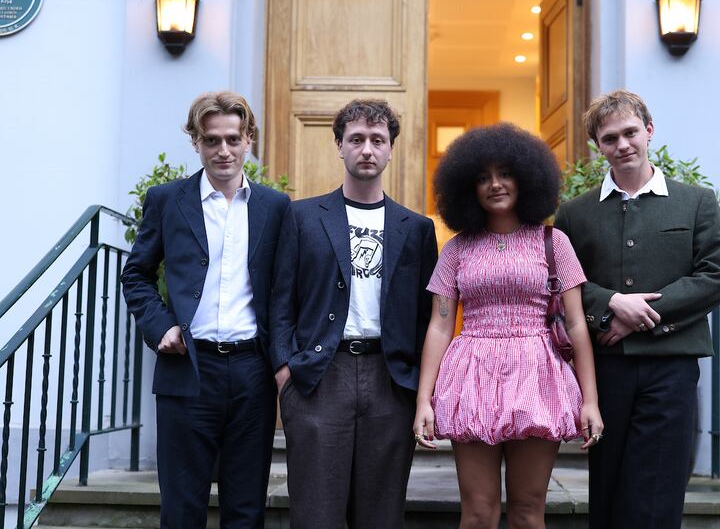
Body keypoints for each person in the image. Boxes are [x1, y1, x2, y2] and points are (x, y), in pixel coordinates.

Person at [554, 89, 720, 528]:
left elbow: (714, 277)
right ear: (599, 147)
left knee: (657, 490)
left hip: (671, 366)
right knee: (609, 490)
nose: (623, 145)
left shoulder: (697, 201)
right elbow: (560, 284)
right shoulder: (574, 215)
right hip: (605, 369)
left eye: (631, 132)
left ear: (649, 131)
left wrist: (642, 316)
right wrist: (610, 303)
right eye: (610, 138)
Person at [414, 123, 603, 529]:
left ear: (526, 177)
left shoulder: (554, 242)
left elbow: (576, 323)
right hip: (472, 375)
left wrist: (590, 400)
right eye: (482, 178)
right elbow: (439, 327)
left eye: (504, 174)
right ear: (467, 187)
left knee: (527, 511)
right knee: (478, 513)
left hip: (538, 374)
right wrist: (423, 402)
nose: (494, 185)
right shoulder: (457, 248)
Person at [122, 91, 290, 528]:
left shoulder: (275, 207)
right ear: (196, 142)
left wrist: (285, 360)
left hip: (252, 371)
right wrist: (161, 327)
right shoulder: (167, 200)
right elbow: (136, 274)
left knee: (246, 508)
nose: (223, 150)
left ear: (248, 140)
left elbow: (284, 290)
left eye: (233, 139)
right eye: (212, 140)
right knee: (181, 508)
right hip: (187, 367)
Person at [269, 99, 438, 529]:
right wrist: (285, 369)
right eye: (356, 139)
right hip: (320, 376)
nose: (367, 149)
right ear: (339, 147)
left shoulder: (416, 228)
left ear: (391, 150)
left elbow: (426, 314)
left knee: (380, 514)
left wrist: (418, 384)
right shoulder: (302, 216)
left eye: (377, 140)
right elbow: (280, 299)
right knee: (315, 513)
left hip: (390, 378)